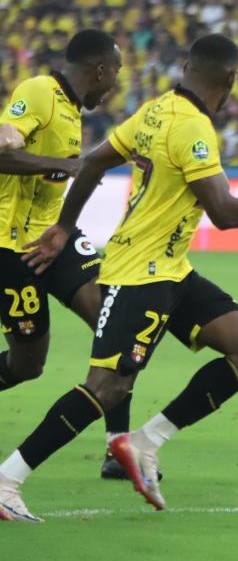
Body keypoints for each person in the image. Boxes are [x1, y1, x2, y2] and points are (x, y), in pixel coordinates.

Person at [0, 34, 238, 522]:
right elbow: (223, 212)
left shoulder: (155, 110)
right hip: (138, 273)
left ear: (186, 66)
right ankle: (8, 479)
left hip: (172, 269)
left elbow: (93, 162)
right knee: (103, 384)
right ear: (232, 79)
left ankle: (143, 442)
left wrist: (64, 228)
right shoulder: (191, 127)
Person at [0, 29, 137, 480]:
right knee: (27, 365)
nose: (115, 82)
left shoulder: (72, 109)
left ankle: (118, 449)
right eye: (115, 72)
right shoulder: (40, 91)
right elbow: (3, 142)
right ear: (99, 70)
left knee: (115, 322)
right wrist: (62, 164)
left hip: (54, 236)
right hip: (10, 246)